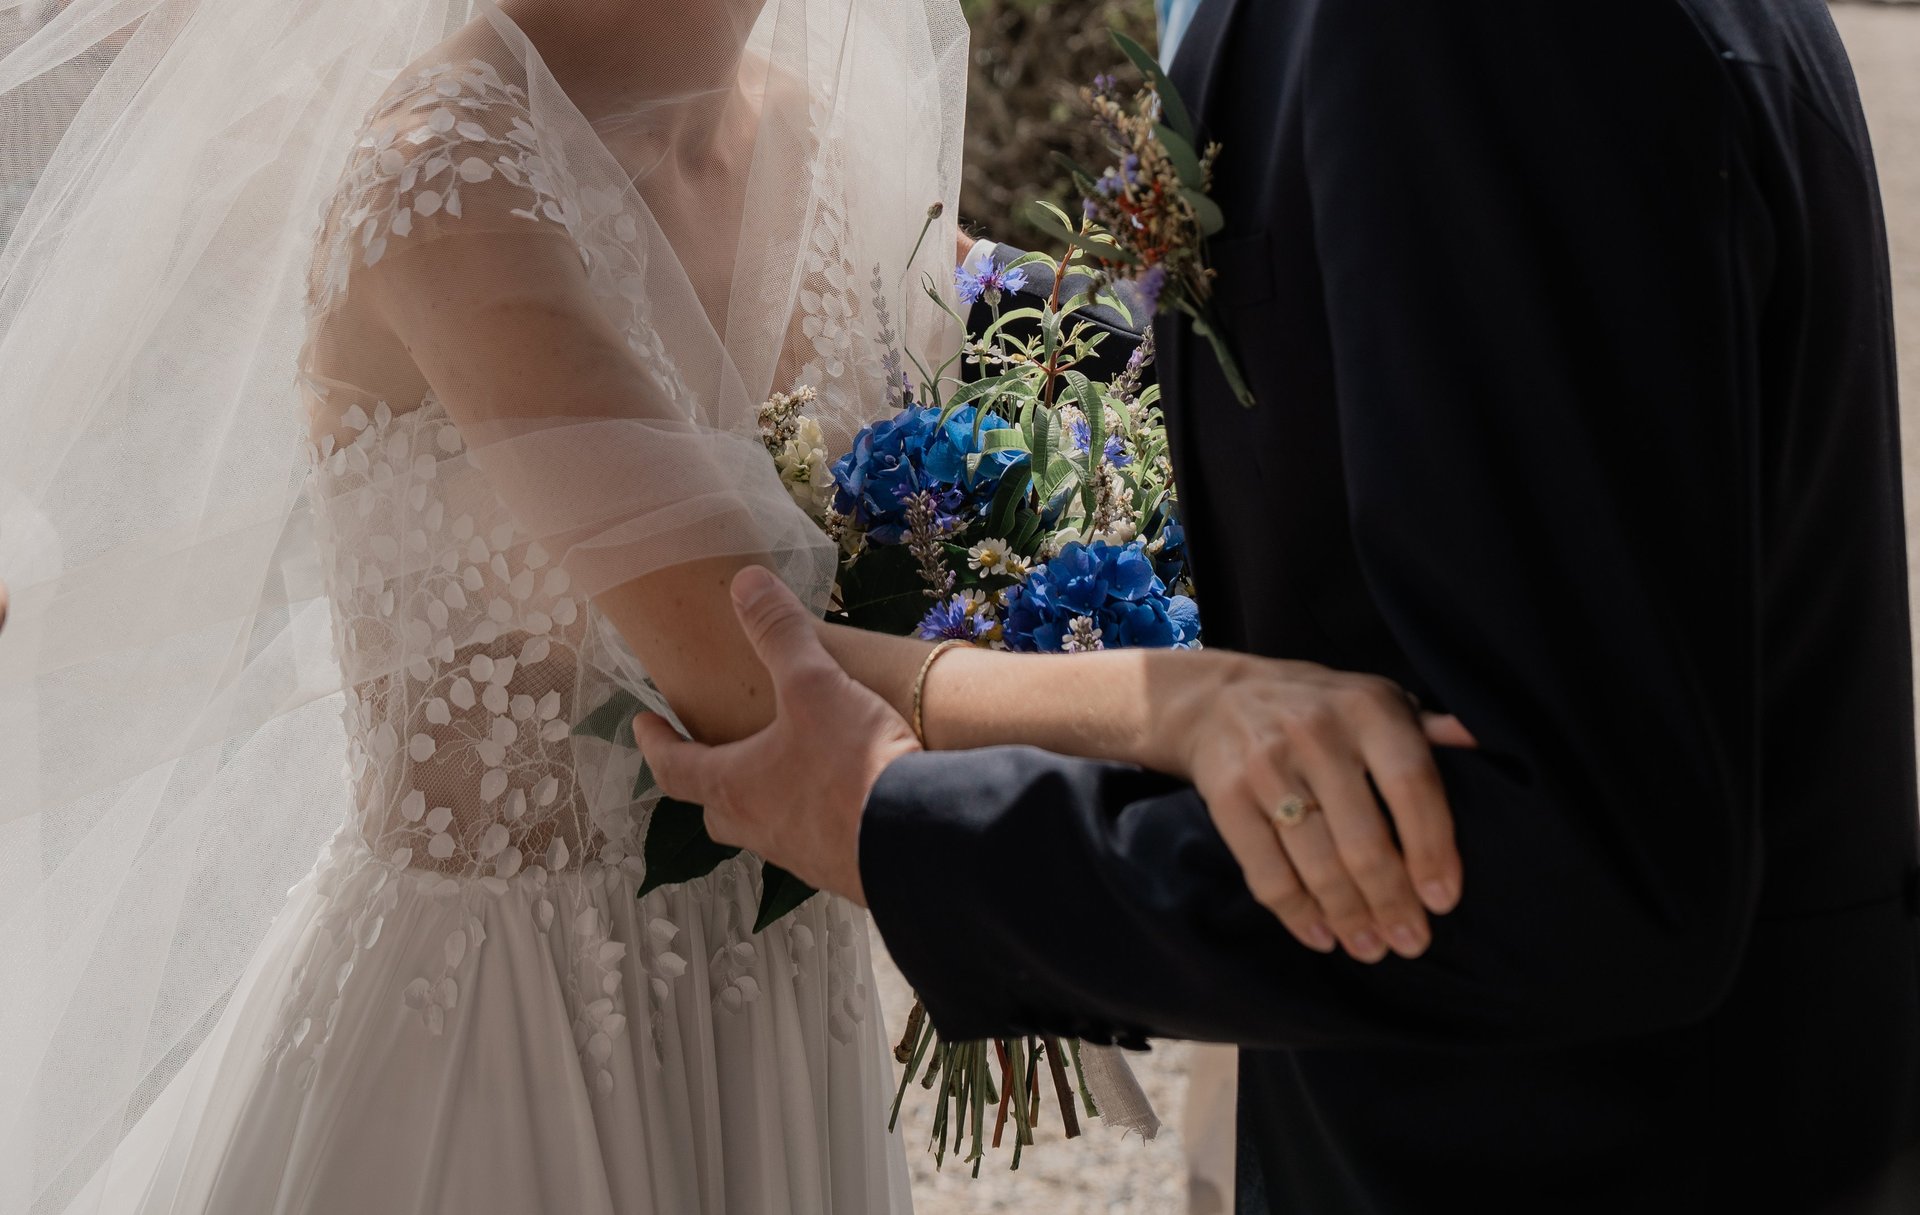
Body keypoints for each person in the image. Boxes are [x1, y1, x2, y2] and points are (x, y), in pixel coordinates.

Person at [0, 1, 1465, 1211]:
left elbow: (967, 459)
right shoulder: (443, 183)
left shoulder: (816, 137)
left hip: (777, 1008)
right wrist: (1191, 699)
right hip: (500, 1047)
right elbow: (751, 668)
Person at [638, 1, 1920, 1211]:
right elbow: (1420, 344)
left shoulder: (1465, 34)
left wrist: (907, 824)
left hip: (1577, 1148)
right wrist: (1007, 316)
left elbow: (1588, 865)